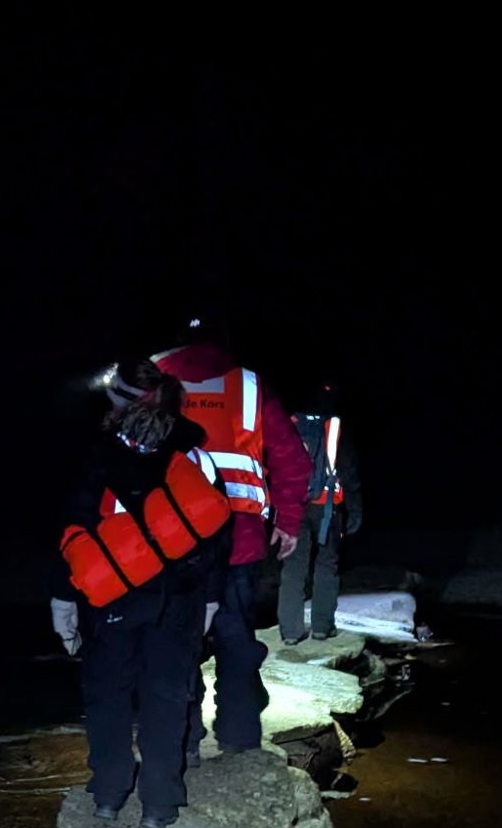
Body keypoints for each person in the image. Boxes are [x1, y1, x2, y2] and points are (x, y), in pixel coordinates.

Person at [50, 358, 232, 828]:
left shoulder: (98, 452)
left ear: (119, 402)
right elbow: (216, 531)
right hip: (179, 596)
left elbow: (74, 528)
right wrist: (211, 598)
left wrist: (62, 597)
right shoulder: (193, 454)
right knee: (167, 695)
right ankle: (160, 804)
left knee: (107, 694)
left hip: (112, 597)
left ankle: (109, 794)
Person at [154, 315, 309, 754]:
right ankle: (239, 740)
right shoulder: (250, 385)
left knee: (177, 638)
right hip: (239, 538)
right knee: (235, 638)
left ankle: (182, 743)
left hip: (172, 540)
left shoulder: (154, 379)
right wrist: (288, 521)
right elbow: (292, 459)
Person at [277, 383, 363, 643]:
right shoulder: (336, 426)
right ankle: (323, 627)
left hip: (293, 506)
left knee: (293, 567)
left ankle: (290, 632)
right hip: (327, 507)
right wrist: (355, 509)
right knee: (326, 565)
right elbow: (348, 470)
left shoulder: (289, 423)